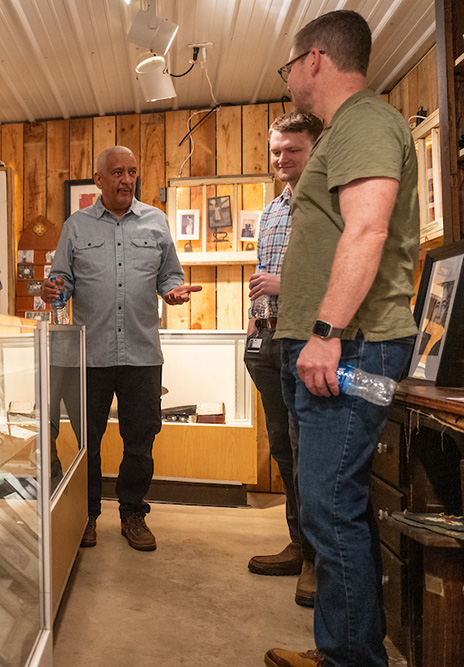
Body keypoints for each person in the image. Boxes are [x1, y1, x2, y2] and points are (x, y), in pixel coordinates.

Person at [264, 11, 419, 667]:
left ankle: (352, 659)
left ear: (316, 59)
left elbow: (367, 231)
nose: (290, 75)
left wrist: (325, 332)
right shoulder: (345, 131)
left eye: (289, 64)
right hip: (334, 350)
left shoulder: (363, 121)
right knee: (330, 508)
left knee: (330, 509)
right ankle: (339, 649)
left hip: (351, 351)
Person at [42, 146, 200, 551]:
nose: (126, 179)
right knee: (86, 445)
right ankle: (86, 516)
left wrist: (174, 294)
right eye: (117, 172)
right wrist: (53, 290)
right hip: (89, 358)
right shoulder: (76, 226)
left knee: (141, 443)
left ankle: (132, 513)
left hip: (142, 356)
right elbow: (62, 282)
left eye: (132, 172)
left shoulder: (157, 222)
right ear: (99, 179)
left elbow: (169, 277)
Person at [244, 112, 323, 609]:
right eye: (276, 151)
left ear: (314, 148)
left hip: (308, 343)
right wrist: (253, 328)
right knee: (283, 448)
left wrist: (282, 285)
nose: (282, 159)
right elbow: (260, 276)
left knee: (307, 452)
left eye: (292, 149)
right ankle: (298, 544)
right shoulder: (273, 210)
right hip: (267, 342)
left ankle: (316, 560)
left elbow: (339, 274)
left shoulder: (323, 204)